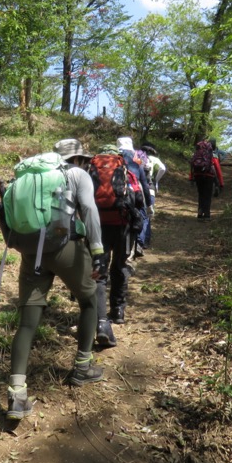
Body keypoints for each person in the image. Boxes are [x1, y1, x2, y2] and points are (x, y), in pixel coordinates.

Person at [6, 138, 107, 421]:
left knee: (27, 321)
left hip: (32, 251)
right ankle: (83, 368)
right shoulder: (76, 175)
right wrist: (98, 251)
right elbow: (89, 211)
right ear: (76, 159)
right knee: (89, 300)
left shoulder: (30, 177)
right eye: (84, 160)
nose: (86, 164)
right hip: (67, 248)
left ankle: (17, 394)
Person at [90, 144, 134, 346]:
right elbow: (138, 199)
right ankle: (118, 311)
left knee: (99, 271)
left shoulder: (90, 171)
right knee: (120, 266)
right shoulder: (126, 171)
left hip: (98, 227)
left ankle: (99, 320)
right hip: (122, 226)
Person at [116, 136, 153, 258]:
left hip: (116, 194)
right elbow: (144, 182)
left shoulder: (113, 157)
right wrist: (148, 203)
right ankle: (134, 247)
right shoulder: (136, 159)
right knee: (138, 218)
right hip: (134, 195)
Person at [139, 142, 166, 249]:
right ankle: (145, 240)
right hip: (150, 189)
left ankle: (140, 240)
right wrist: (156, 180)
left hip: (138, 189)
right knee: (148, 215)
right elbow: (163, 168)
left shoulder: (137, 157)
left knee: (141, 213)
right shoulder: (154, 159)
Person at [191, 138, 224, 221]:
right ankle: (206, 215)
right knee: (207, 195)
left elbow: (192, 166)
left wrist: (191, 178)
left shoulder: (196, 155)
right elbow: (218, 171)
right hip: (209, 176)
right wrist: (221, 184)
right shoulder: (213, 156)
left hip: (198, 175)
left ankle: (199, 213)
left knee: (201, 194)